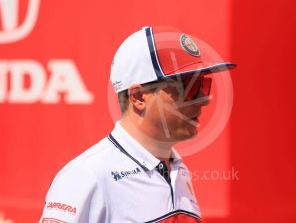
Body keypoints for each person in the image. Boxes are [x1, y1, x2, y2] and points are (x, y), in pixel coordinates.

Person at [40, 26, 236, 222]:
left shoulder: (178, 170)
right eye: (190, 86)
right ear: (138, 97)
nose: (204, 98)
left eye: (202, 84)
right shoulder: (85, 177)